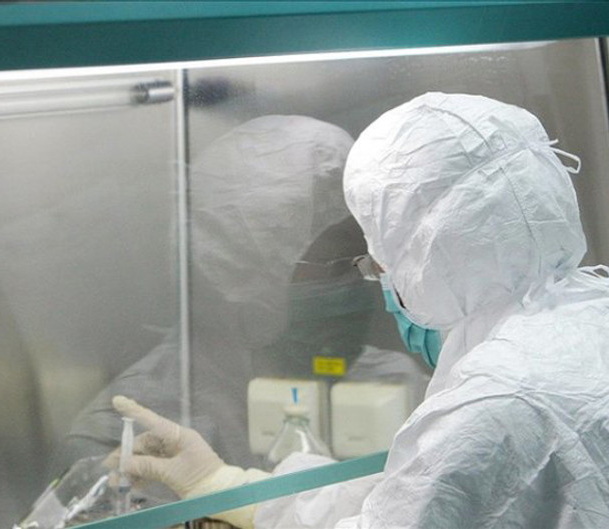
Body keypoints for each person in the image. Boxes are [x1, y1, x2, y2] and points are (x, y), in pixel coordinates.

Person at [108, 93, 609, 528]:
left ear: (427, 253)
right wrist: (231, 484)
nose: (379, 283)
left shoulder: (498, 398)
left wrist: (231, 491)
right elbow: (412, 493)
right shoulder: (599, 314)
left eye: (380, 261)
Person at [50, 115, 428, 506]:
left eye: (365, 261)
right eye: (334, 266)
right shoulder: (133, 433)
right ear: (244, 270)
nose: (357, 286)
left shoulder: (396, 385)